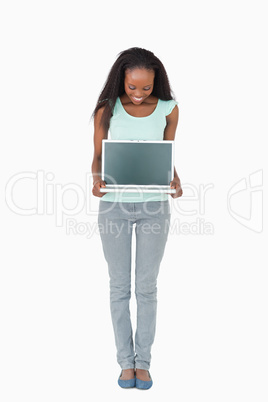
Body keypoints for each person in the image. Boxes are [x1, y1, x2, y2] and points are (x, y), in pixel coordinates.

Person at [91, 47, 183, 389]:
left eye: (146, 88)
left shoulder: (169, 109)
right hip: (114, 205)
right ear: (122, 81)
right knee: (119, 287)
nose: (140, 95)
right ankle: (123, 363)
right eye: (132, 88)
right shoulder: (108, 108)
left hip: (154, 206)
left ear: (156, 82)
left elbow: (166, 154)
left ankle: (142, 363)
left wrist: (175, 179)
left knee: (146, 287)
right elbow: (97, 157)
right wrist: (96, 181)